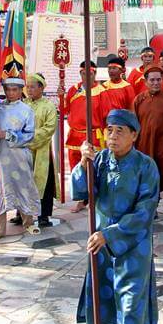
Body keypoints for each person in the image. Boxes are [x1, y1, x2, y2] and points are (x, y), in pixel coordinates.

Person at [72, 109, 159, 324]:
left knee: (131, 305)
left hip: (133, 247)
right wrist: (83, 164)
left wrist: (110, 233)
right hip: (101, 247)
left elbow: (145, 211)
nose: (112, 136)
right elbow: (83, 191)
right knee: (107, 300)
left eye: (120, 131)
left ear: (134, 135)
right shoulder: (99, 160)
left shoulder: (145, 166)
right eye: (109, 130)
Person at [0, 76, 41, 241]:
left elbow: (29, 135)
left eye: (14, 90)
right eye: (8, 90)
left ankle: (28, 223)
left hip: (19, 157)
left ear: (20, 91)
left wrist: (7, 134)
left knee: (23, 187)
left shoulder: (26, 110)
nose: (11, 93)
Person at [64, 60, 108, 212]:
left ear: (94, 74)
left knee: (93, 167)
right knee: (76, 168)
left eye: (90, 73)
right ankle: (81, 199)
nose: (86, 76)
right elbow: (65, 109)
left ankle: (95, 198)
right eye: (83, 73)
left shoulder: (101, 91)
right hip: (74, 135)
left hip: (93, 135)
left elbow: (106, 116)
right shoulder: (73, 90)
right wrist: (61, 97)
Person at [134, 66, 163, 197]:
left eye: (158, 80)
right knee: (147, 174)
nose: (156, 83)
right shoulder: (139, 99)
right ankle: (151, 201)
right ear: (146, 82)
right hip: (145, 144)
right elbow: (133, 124)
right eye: (152, 80)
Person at [23, 73, 59, 227]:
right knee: (23, 182)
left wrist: (28, 137)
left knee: (44, 183)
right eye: (27, 87)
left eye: (32, 87)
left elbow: (49, 128)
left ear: (41, 88)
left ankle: (43, 216)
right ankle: (22, 214)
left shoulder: (48, 106)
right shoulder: (23, 104)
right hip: (24, 151)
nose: (29, 90)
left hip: (42, 151)